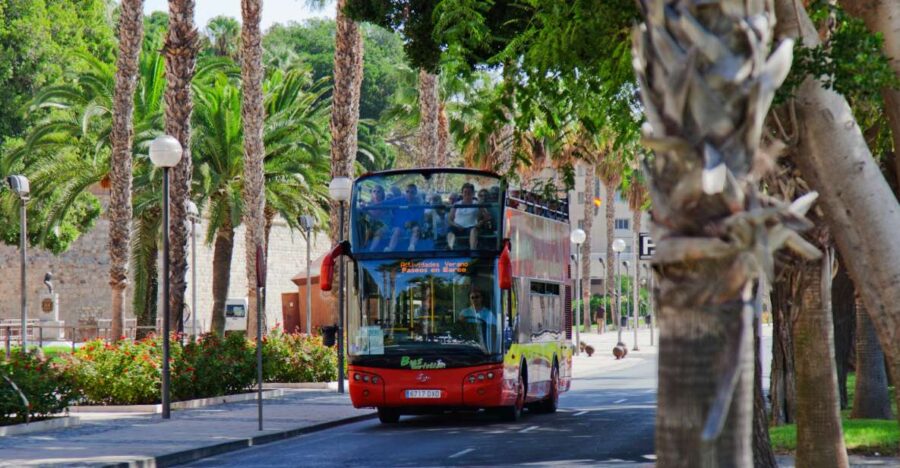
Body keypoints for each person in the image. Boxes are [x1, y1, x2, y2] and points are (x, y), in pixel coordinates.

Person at [448, 183, 490, 249]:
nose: (467, 194)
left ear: (473, 193)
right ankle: (449, 250)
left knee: (474, 231)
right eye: (465, 192)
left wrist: (480, 223)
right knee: (450, 231)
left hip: (471, 228)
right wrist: (456, 226)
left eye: (469, 192)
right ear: (462, 193)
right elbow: (450, 219)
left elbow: (487, 217)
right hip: (457, 228)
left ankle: (473, 252)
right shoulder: (456, 205)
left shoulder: (477, 204)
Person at [384, 183, 424, 251]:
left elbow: (419, 215)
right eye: (407, 191)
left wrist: (411, 222)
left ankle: (412, 247)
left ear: (415, 193)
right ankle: (390, 249)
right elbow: (385, 203)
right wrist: (368, 206)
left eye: (412, 192)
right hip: (398, 226)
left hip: (411, 225)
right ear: (405, 192)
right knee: (397, 230)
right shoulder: (398, 200)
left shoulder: (418, 203)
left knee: (416, 229)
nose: (409, 194)